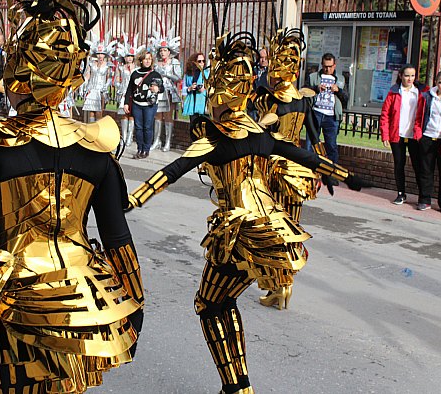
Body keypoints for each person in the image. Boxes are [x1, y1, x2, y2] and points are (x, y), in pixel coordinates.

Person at [0, 0, 144, 391]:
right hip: (87, 305)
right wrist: (136, 301)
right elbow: (118, 237)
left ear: (16, 68)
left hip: (9, 307)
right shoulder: (97, 145)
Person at [126, 30, 370, 394]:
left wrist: (128, 202)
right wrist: (349, 176)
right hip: (273, 227)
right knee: (220, 303)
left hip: (240, 233)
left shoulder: (214, 139)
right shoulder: (260, 132)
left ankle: (237, 386)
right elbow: (305, 156)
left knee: (209, 304)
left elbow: (169, 173)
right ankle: (237, 384)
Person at [252, 28, 322, 310]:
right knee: (291, 226)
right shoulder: (304, 99)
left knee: (272, 228)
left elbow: (258, 133)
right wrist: (321, 168)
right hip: (298, 171)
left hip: (272, 169)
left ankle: (277, 286)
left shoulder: (268, 98)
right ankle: (286, 285)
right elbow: (316, 138)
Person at [380, 64, 424, 206]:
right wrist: (385, 135)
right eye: (407, 75)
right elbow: (385, 114)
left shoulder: (421, 92)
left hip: (414, 135)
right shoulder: (394, 92)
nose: (410, 78)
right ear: (400, 76)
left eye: (412, 75)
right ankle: (401, 193)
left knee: (418, 165)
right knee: (399, 165)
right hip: (397, 134)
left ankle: (422, 196)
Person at [304, 53, 348, 167]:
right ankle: (310, 171)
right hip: (316, 113)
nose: (327, 69)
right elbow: (304, 92)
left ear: (334, 65)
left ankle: (331, 173)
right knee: (310, 144)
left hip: (331, 116)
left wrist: (338, 91)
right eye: (324, 66)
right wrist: (315, 88)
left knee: (331, 146)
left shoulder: (340, 79)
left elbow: (346, 98)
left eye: (330, 66)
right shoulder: (313, 77)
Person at [123, 49, 163, 159]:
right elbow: (129, 89)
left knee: (147, 127)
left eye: (149, 59)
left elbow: (162, 88)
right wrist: (126, 103)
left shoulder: (155, 74)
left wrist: (157, 89)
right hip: (137, 104)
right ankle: (139, 149)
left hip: (149, 105)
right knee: (138, 127)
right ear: (140, 60)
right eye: (145, 59)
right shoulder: (135, 74)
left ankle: (146, 149)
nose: (147, 61)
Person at [414, 71, 441, 211]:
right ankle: (425, 199)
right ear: (436, 82)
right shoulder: (426, 97)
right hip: (427, 137)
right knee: (426, 170)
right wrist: (419, 134)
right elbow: (419, 117)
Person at [151, 33, 182, 152]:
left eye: (165, 50)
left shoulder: (174, 62)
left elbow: (178, 77)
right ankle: (156, 140)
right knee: (157, 116)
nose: (163, 52)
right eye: (161, 50)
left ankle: (168, 141)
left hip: (169, 91)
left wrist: (167, 74)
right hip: (158, 91)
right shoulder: (156, 63)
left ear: (169, 52)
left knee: (168, 116)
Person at [115, 34, 139, 146]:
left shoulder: (138, 69)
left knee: (132, 115)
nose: (129, 58)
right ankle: (124, 136)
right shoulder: (120, 67)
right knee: (124, 114)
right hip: (123, 92)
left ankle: (130, 137)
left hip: (134, 93)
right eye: (127, 56)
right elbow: (116, 80)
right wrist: (119, 87)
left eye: (131, 56)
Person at [83, 42, 112, 122]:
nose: (100, 56)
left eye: (102, 54)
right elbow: (87, 75)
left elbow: (109, 77)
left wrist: (106, 86)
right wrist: (85, 84)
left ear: (105, 55)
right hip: (92, 88)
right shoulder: (91, 64)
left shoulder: (108, 65)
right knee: (91, 111)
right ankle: (91, 128)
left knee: (99, 111)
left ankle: (97, 129)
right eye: (98, 54)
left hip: (101, 90)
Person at [182, 52, 209, 123]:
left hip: (204, 104)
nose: (202, 63)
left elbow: (213, 87)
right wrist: (189, 88)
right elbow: (183, 90)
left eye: (203, 61)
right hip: (192, 104)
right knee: (193, 127)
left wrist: (205, 88)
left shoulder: (207, 73)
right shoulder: (188, 74)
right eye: (199, 61)